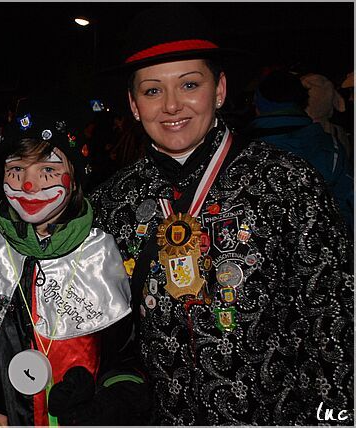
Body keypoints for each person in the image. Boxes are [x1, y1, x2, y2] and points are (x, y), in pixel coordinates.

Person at [90, 5, 354, 426]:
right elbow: (103, 334)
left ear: (219, 89)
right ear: (133, 104)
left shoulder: (286, 182)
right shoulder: (113, 203)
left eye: (189, 84)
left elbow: (336, 319)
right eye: (153, 90)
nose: (172, 105)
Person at [0, 109, 151, 426]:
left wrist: (112, 402)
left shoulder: (102, 256)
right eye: (16, 169)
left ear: (74, 177)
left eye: (48, 169)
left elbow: (125, 359)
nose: (29, 184)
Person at [248, 68, 353, 231]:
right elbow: (347, 202)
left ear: (258, 102)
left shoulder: (246, 149)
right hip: (324, 239)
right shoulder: (330, 146)